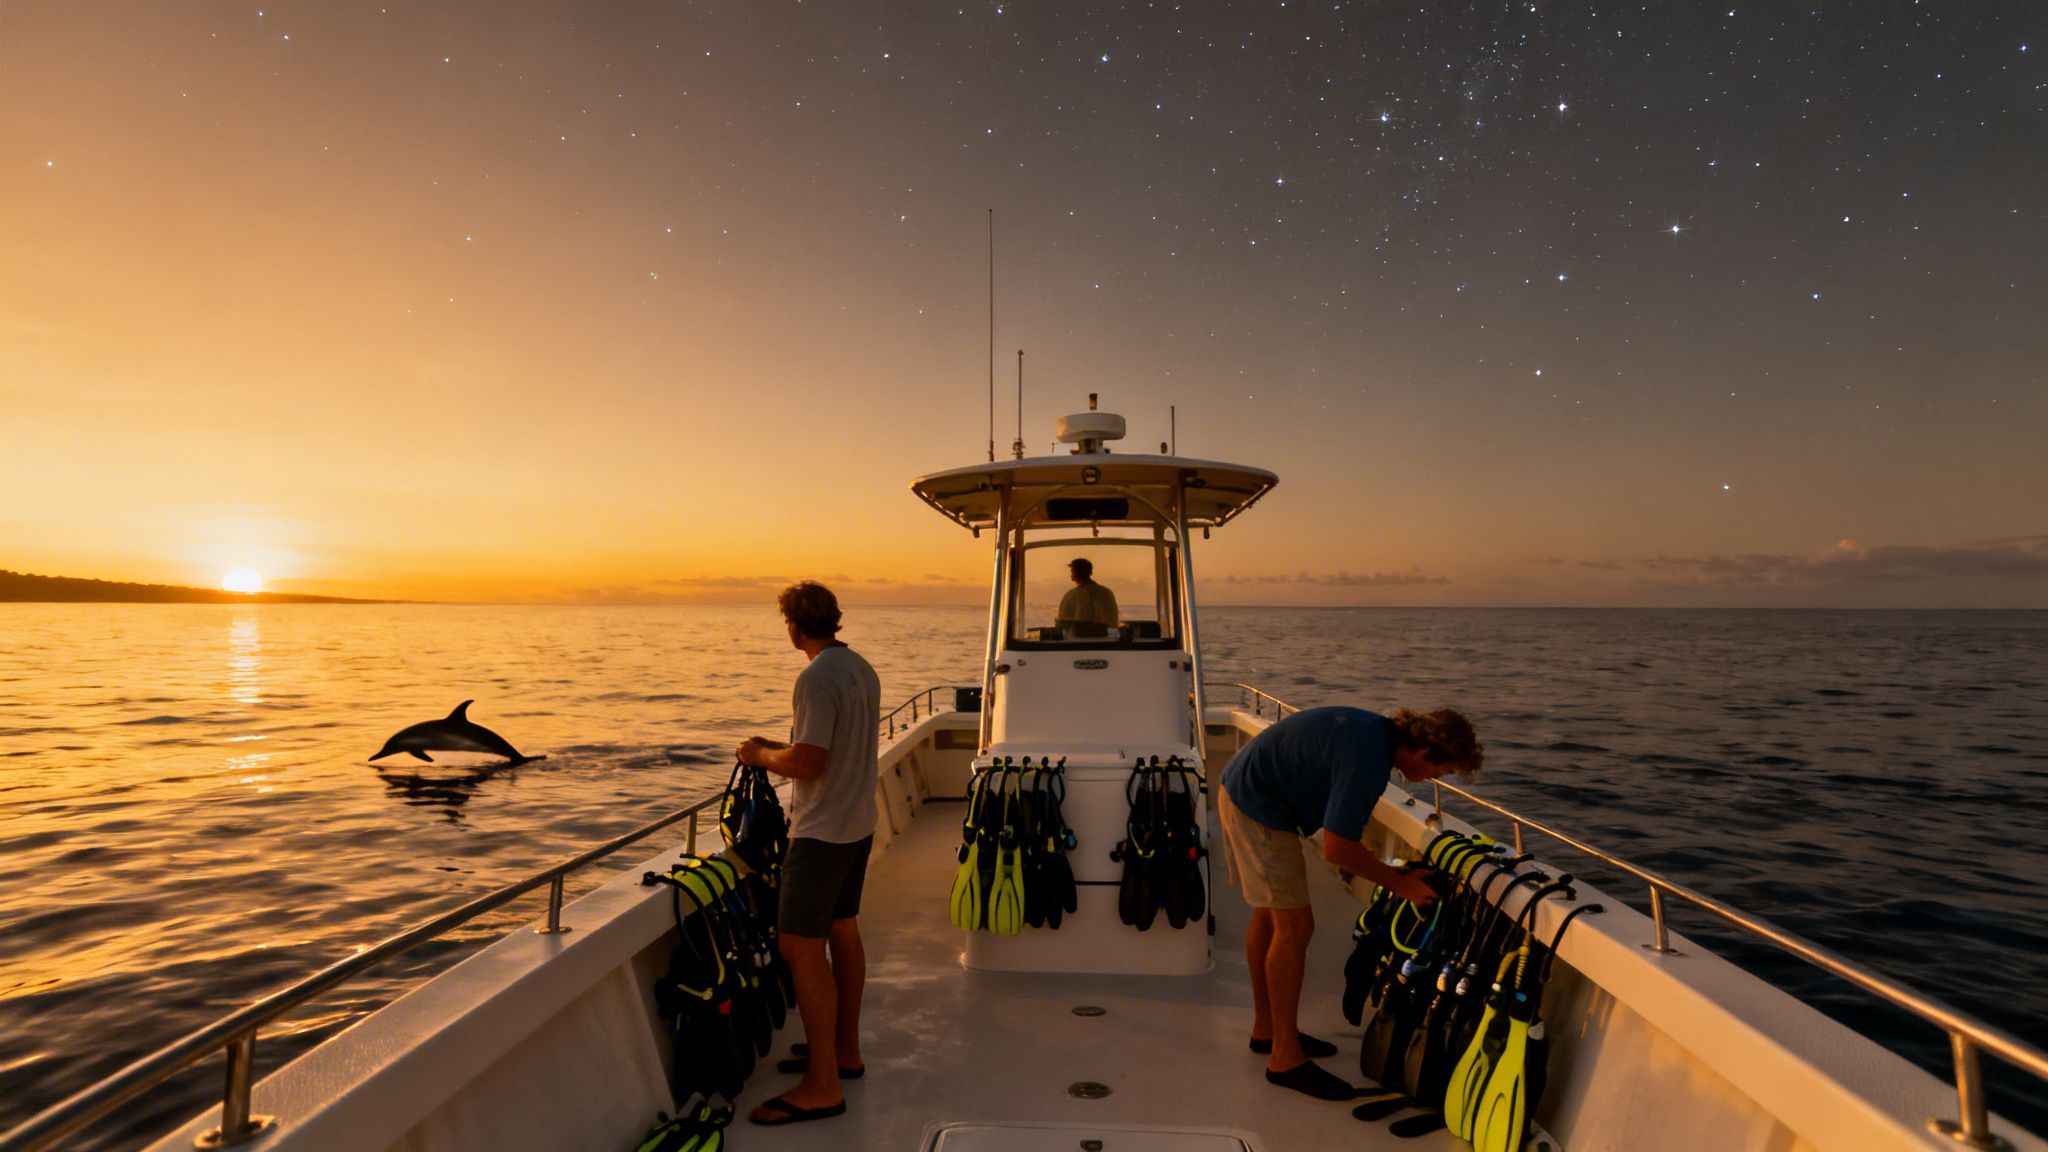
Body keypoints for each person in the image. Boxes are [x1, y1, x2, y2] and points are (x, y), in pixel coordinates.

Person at [1216, 705, 1483, 1101]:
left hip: (1243, 791)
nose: (1430, 780)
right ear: (1424, 753)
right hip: (1259, 810)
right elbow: (1338, 849)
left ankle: (1268, 1030)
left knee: (1270, 917)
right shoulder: (1369, 758)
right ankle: (1284, 1060)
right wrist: (1400, 884)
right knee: (1295, 928)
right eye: (1437, 773)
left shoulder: (1376, 731)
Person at [735, 582, 881, 1126]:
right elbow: (830, 748)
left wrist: (758, 753)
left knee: (799, 946)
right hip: (858, 822)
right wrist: (783, 751)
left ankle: (822, 1086)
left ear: (793, 628)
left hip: (821, 833)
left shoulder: (814, 678)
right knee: (843, 929)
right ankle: (845, 1051)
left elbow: (810, 764)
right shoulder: (861, 668)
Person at [1054, 557, 1118, 635]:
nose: (1071, 575)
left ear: (1076, 573)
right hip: (1107, 640)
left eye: (1072, 571)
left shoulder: (1075, 594)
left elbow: (1068, 623)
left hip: (1081, 641)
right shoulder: (1107, 592)